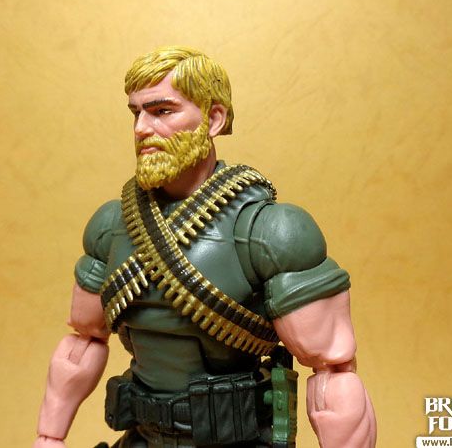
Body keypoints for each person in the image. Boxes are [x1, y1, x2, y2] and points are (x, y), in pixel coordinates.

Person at [34, 46, 376, 448]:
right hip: (142, 436)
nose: (142, 128)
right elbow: (83, 342)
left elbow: (334, 373)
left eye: (162, 111)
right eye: (136, 113)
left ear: (213, 119)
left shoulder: (271, 231)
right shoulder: (112, 225)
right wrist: (49, 436)